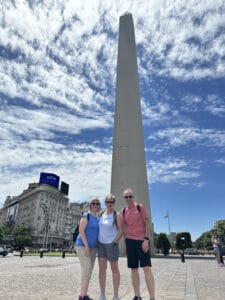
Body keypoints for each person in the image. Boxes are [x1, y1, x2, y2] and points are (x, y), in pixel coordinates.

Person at [122, 188, 155, 300]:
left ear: (134, 197)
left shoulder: (140, 207)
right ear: (124, 199)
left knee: (146, 268)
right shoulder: (123, 211)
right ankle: (137, 295)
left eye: (130, 196)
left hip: (141, 242)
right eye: (126, 197)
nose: (128, 198)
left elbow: (147, 223)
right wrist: (125, 244)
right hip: (130, 242)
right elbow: (125, 229)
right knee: (134, 269)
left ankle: (152, 297)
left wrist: (146, 240)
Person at [98, 194, 123, 300]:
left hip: (111, 245)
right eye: (108, 201)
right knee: (102, 270)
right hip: (101, 244)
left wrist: (115, 241)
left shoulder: (117, 214)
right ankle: (102, 295)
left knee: (114, 270)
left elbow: (122, 230)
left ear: (114, 203)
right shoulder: (102, 214)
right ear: (105, 203)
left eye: (112, 201)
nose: (110, 203)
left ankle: (115, 295)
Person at [75, 197, 101, 300]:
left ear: (99, 206)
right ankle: (82, 296)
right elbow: (81, 231)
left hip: (93, 248)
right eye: (93, 203)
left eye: (97, 203)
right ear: (91, 205)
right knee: (87, 268)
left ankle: (83, 294)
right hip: (82, 246)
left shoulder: (98, 218)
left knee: (88, 270)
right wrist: (86, 246)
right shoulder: (86, 216)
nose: (95, 205)